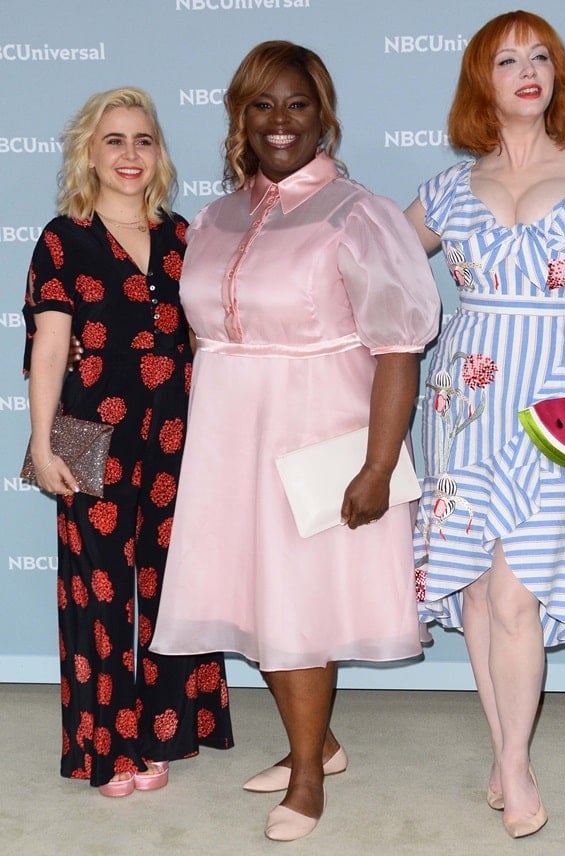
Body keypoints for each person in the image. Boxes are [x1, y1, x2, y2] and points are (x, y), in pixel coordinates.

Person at [150, 41, 440, 841]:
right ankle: (322, 744)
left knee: (300, 604)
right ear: (239, 119)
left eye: (297, 104)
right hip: (227, 437)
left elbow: (398, 347)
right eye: (261, 106)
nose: (280, 122)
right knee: (258, 598)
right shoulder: (216, 216)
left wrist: (379, 464)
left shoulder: (358, 212)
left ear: (324, 115)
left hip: (319, 432)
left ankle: (309, 776)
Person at [406, 11, 565, 839]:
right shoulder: (446, 189)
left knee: (518, 590)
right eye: (507, 58)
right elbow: (381, 270)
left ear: (557, 74)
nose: (527, 70)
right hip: (461, 402)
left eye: (540, 56)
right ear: (483, 80)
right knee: (478, 587)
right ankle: (508, 755)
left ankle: (513, 762)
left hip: (557, 404)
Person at [23, 87, 233, 797]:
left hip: (176, 431)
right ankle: (105, 747)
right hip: (88, 431)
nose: (130, 154)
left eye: (143, 140)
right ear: (90, 151)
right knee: (99, 592)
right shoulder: (64, 237)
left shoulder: (183, 237)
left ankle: (161, 731)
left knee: (173, 586)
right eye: (114, 140)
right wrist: (43, 442)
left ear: (159, 153)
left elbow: (206, 341)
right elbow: (49, 347)